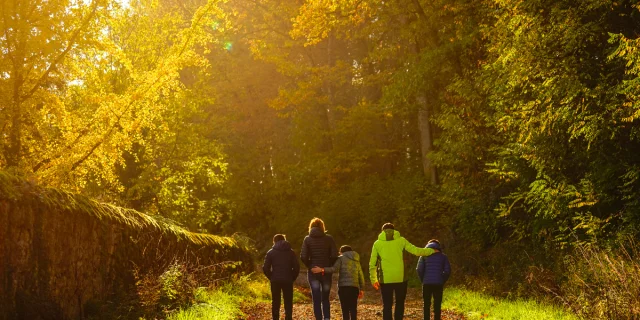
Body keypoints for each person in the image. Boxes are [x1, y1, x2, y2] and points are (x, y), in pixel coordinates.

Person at [369, 223, 438, 320]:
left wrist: (374, 279)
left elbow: (372, 264)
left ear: (382, 231)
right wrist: (431, 251)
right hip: (401, 278)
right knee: (400, 303)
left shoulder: (377, 243)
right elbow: (416, 251)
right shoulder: (401, 240)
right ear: (394, 230)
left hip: (385, 279)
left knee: (387, 304)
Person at [312, 245, 365, 320]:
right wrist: (362, 289)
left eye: (340, 252)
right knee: (353, 308)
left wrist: (322, 269)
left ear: (342, 252)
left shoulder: (341, 258)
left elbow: (334, 269)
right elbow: (361, 275)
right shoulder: (356, 260)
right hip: (354, 287)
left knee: (345, 308)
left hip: (343, 287)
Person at [301, 218, 338, 320]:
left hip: (313, 273)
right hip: (325, 272)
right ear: (322, 227)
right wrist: (326, 267)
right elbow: (335, 255)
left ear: (311, 227)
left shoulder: (307, 239)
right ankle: (327, 318)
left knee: (316, 298)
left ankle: (318, 318)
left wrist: (311, 266)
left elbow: (303, 257)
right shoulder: (329, 239)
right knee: (325, 298)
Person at [263, 234, 300, 320]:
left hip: (275, 280)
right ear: (284, 240)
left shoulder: (270, 252)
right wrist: (292, 277)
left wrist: (271, 277)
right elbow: (296, 267)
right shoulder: (291, 252)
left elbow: (265, 268)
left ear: (274, 241)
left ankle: (275, 318)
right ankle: (288, 318)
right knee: (288, 302)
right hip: (288, 280)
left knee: (275, 301)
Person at [416, 239, 451, 320]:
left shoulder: (423, 256)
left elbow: (419, 269)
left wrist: (423, 280)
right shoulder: (443, 257)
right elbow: (447, 271)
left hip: (426, 283)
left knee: (426, 304)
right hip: (438, 283)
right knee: (437, 304)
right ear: (438, 246)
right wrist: (442, 280)